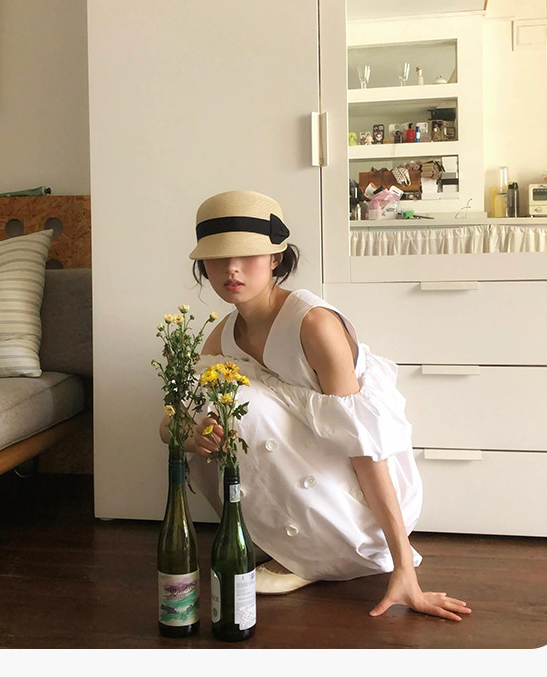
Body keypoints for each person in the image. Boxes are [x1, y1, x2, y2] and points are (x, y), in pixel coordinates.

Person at [159, 190, 470, 621]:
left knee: (240, 398)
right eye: (218, 258)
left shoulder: (313, 324)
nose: (231, 269)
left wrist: (404, 567)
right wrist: (196, 437)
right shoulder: (225, 334)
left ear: (275, 257)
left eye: (248, 255)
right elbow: (169, 423)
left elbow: (366, 448)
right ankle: (285, 542)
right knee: (213, 399)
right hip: (308, 486)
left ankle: (318, 553)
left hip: (355, 507)